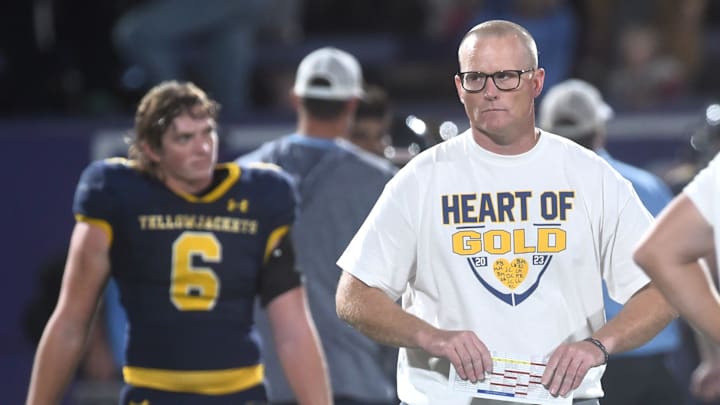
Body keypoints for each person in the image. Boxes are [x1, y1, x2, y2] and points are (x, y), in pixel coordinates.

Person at [335, 19, 676, 405]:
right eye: (477, 78)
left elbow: (662, 288)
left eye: (507, 76)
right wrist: (430, 337)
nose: (491, 91)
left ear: (537, 81)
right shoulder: (420, 180)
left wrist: (600, 345)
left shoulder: (589, 176)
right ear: (460, 87)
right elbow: (354, 294)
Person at [25, 80, 332, 405]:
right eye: (185, 137)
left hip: (239, 393)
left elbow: (293, 330)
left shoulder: (262, 196)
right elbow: (71, 321)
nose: (203, 148)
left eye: (207, 132)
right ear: (151, 149)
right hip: (152, 391)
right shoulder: (116, 193)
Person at [237, 47, 398, 405]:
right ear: (353, 104)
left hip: (263, 381)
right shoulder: (385, 184)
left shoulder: (241, 178)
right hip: (355, 380)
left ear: (296, 99)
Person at [538, 78, 685, 405]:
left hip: (576, 366)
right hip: (651, 358)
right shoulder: (646, 186)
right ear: (600, 128)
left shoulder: (532, 198)